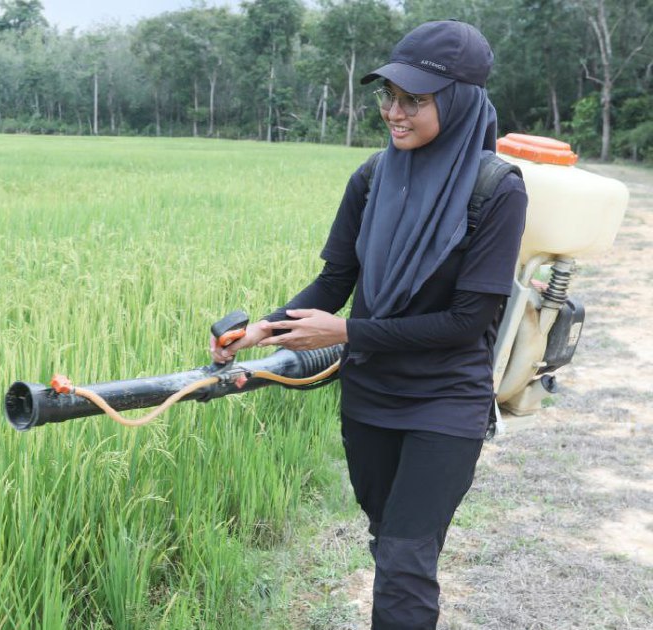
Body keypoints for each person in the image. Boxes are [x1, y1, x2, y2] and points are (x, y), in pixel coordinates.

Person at [211, 21, 527, 630]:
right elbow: (335, 284)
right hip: (370, 395)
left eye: (415, 99)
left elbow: (467, 323)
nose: (394, 112)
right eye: (388, 96)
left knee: (407, 559)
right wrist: (261, 333)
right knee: (390, 539)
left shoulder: (497, 189)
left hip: (445, 398)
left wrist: (349, 334)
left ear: (458, 101)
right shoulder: (371, 178)